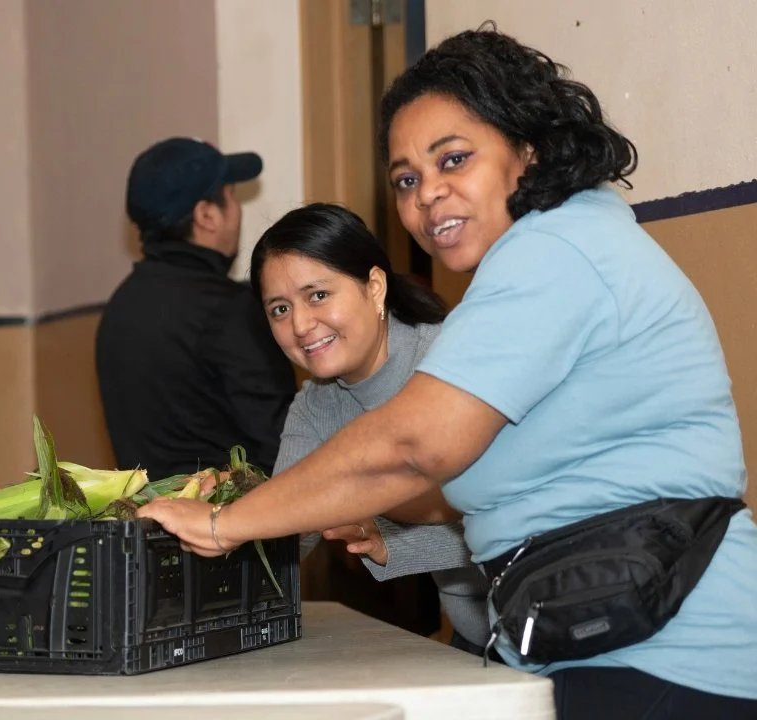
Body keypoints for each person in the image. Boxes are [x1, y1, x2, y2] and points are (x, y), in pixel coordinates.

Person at [139, 26, 757, 719]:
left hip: (667, 657)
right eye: (407, 178)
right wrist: (360, 517)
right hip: (590, 640)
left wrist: (228, 525)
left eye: (453, 160)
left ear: (528, 149)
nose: (428, 195)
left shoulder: (554, 253)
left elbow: (411, 448)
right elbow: (459, 486)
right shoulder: (543, 256)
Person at [252, 202, 492, 655]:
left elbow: (512, 512)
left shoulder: (448, 361)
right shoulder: (315, 406)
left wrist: (398, 540)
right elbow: (284, 525)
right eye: (280, 309)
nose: (301, 325)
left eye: (318, 295)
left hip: (559, 620)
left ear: (375, 286)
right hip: (476, 639)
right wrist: (216, 512)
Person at [97, 137, 297, 478]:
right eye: (231, 198)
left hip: (150, 522)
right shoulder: (229, 310)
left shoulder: (119, 308)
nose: (237, 211)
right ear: (206, 215)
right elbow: (287, 447)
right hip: (228, 525)